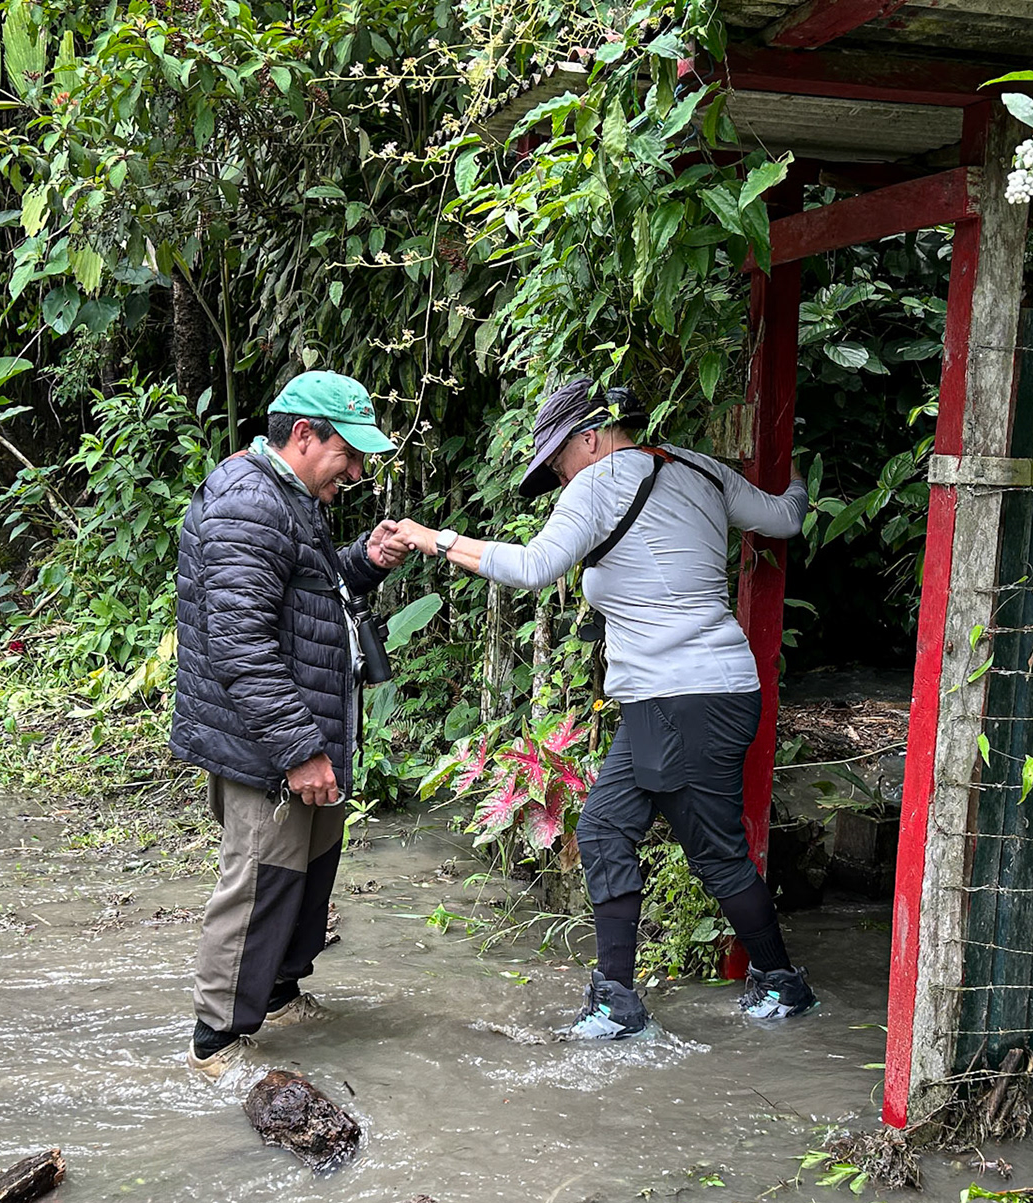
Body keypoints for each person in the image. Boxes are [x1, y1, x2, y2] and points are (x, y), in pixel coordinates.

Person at [392, 378, 814, 1039]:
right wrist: (799, 477)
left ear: (590, 437)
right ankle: (617, 1000)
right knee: (604, 830)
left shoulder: (600, 479)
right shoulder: (697, 467)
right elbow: (785, 517)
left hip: (682, 698)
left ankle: (784, 986)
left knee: (714, 851)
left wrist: (434, 540)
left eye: (560, 463)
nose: (563, 481)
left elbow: (534, 567)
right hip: (691, 695)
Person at [171, 370, 414, 1078]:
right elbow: (240, 642)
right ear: (303, 436)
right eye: (350, 453)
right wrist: (300, 751)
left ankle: (278, 998)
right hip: (268, 744)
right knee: (260, 881)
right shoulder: (248, 503)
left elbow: (303, 593)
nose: (358, 471)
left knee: (307, 870)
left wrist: (363, 562)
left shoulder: (288, 495)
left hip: (303, 730)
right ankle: (216, 1043)